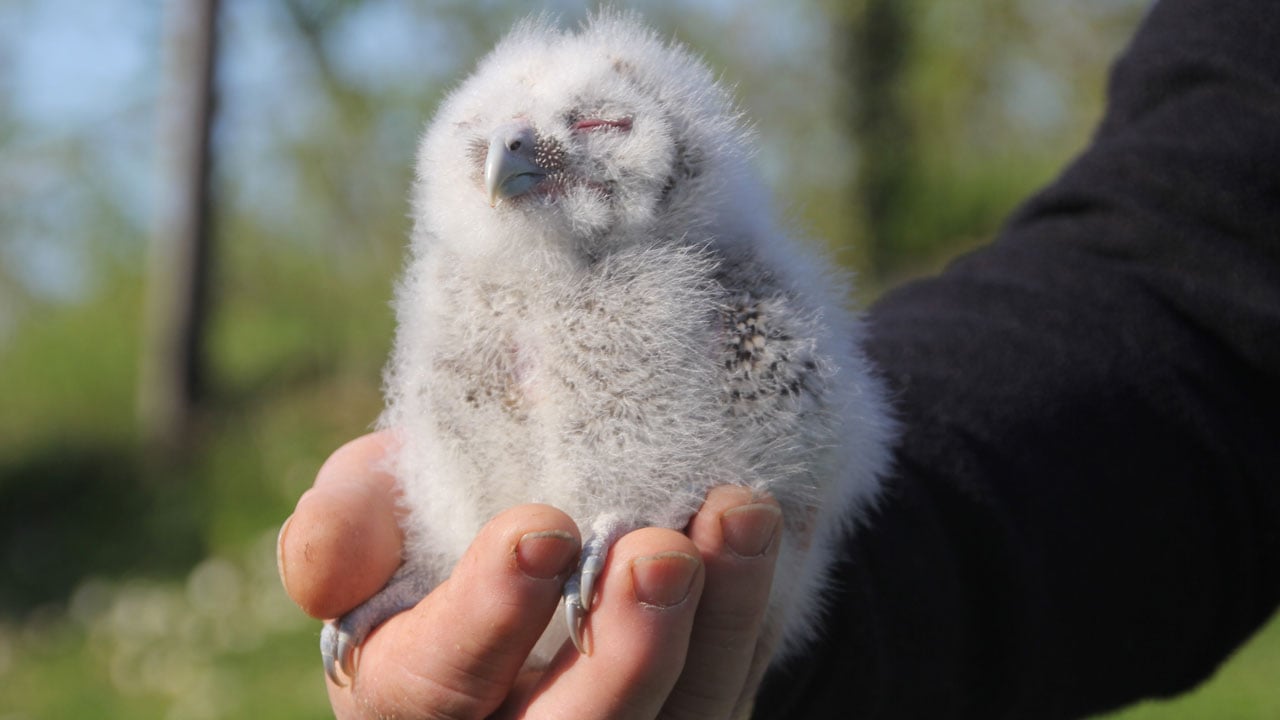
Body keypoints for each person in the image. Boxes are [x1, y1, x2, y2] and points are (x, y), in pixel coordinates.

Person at [277, 0, 1280, 716]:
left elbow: (806, 446)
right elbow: (1200, 288)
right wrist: (823, 646)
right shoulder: (459, 287)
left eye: (595, 127)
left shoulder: (721, 284)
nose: (519, 156)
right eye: (481, 145)